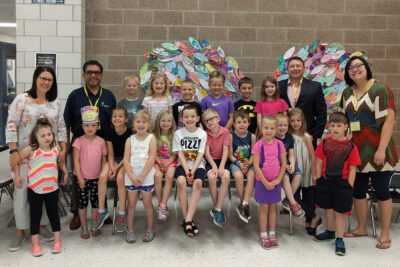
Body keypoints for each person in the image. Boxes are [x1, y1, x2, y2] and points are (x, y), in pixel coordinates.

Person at [6, 66, 67, 252]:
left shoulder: (54, 103)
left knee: (45, 193)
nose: (46, 82)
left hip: (47, 158)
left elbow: (61, 127)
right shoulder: (22, 100)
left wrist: (63, 148)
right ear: (35, 78)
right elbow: (11, 125)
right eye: (43, 78)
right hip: (25, 157)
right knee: (21, 194)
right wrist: (14, 152)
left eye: (50, 79)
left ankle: (41, 227)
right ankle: (20, 232)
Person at [340, 56, 398, 249]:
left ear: (367, 68)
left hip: (378, 147)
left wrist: (381, 149)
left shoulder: (380, 89)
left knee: (381, 190)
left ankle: (385, 233)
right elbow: (345, 121)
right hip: (356, 149)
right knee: (358, 190)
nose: (355, 70)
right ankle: (361, 227)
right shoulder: (347, 92)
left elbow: (389, 121)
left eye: (359, 66)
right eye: (351, 68)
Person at [64, 60, 116, 230]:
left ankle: (102, 211)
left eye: (96, 72)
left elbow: (114, 123)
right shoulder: (75, 95)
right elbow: (66, 123)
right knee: (78, 179)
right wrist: (66, 147)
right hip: (80, 144)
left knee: (100, 177)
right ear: (83, 75)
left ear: (101, 75)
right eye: (89, 72)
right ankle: (76, 214)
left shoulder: (109, 96)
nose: (93, 75)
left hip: (102, 145)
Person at [12, 118, 68, 257]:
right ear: (35, 137)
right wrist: (17, 176)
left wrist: (65, 171)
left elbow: (61, 163)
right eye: (42, 135)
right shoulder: (31, 150)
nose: (47, 137)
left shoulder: (56, 149)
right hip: (34, 190)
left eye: (49, 134)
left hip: (52, 190)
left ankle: (58, 241)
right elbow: (16, 160)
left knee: (53, 215)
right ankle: (35, 245)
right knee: (35, 217)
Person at [314, 112, 361, 256]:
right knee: (328, 208)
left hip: (342, 184)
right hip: (325, 181)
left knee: (340, 213)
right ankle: (330, 231)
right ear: (328, 126)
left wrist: (350, 184)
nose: (335, 128)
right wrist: (317, 176)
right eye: (332, 125)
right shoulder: (324, 144)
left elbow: (353, 168)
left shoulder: (351, 146)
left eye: (339, 125)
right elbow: (319, 161)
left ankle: (339, 239)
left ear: (346, 127)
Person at [92, 107, 132, 232]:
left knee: (120, 178)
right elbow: (110, 154)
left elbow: (127, 156)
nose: (117, 118)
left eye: (120, 116)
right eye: (115, 116)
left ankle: (121, 213)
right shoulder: (109, 132)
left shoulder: (130, 133)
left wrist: (116, 168)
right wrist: (111, 166)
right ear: (111, 119)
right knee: (102, 176)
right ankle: (102, 210)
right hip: (114, 159)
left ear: (126, 119)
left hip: (126, 160)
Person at [73, 107, 108, 239]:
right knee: (82, 203)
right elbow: (76, 161)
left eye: (93, 125)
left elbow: (104, 159)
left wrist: (102, 177)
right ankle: (84, 227)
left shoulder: (101, 142)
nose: (90, 128)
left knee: (95, 203)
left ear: (98, 126)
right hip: (82, 178)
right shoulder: (78, 141)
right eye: (87, 125)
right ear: (82, 126)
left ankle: (95, 225)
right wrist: (80, 177)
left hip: (97, 179)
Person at [173, 105, 207, 238]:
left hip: (198, 164)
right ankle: (188, 220)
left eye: (192, 116)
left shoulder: (202, 133)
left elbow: (200, 153)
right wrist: (187, 171)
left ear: (198, 118)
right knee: (181, 182)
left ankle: (188, 219)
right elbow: (180, 153)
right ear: (181, 119)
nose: (189, 119)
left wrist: (193, 170)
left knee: (198, 183)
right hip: (183, 164)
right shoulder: (178, 133)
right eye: (186, 116)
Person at [252, 116, 286, 249]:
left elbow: (283, 164)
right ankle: (263, 235)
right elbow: (256, 166)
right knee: (264, 209)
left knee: (273, 209)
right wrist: (265, 182)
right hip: (262, 182)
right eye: (266, 128)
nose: (269, 131)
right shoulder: (258, 145)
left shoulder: (279, 144)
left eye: (272, 128)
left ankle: (272, 234)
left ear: (276, 129)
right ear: (261, 128)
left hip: (276, 182)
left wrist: (278, 179)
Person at [123, 110, 157, 243]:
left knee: (147, 203)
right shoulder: (129, 140)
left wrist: (142, 177)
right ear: (133, 124)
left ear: (149, 124)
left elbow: (152, 158)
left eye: (144, 122)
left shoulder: (151, 138)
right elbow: (126, 160)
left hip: (146, 177)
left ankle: (150, 228)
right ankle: (130, 230)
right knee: (131, 204)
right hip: (131, 177)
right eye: (138, 122)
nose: (141, 124)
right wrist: (131, 177)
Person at [279, 56, 327, 146]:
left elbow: (322, 113)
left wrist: (315, 135)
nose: (295, 68)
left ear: (304, 69)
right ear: (287, 69)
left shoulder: (314, 87)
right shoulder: (279, 86)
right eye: (292, 66)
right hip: (284, 136)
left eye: (298, 66)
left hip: (307, 136)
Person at [288, 108, 320, 235]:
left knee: (309, 198)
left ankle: (310, 219)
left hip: (306, 171)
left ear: (302, 121)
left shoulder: (307, 137)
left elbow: (313, 156)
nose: (296, 123)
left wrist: (314, 173)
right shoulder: (288, 136)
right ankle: (314, 217)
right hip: (295, 172)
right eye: (293, 121)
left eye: (298, 120)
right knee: (294, 197)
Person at [203, 109, 231, 227]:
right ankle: (217, 208)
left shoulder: (225, 132)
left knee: (225, 176)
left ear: (218, 118)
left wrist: (222, 166)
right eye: (206, 121)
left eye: (211, 119)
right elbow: (207, 153)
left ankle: (217, 209)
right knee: (211, 176)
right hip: (211, 160)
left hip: (222, 160)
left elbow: (225, 151)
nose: (209, 122)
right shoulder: (205, 133)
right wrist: (214, 166)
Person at [229, 110, 256, 223]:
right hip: (235, 163)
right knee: (239, 177)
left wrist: (248, 164)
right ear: (234, 124)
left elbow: (254, 154)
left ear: (249, 123)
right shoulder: (230, 136)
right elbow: (230, 155)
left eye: (244, 122)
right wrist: (239, 164)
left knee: (252, 176)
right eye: (239, 122)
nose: (242, 124)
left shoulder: (252, 136)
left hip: (248, 163)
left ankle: (244, 203)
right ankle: (242, 203)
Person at [275, 113, 304, 217]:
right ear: (275, 126)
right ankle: (293, 203)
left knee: (298, 175)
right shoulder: (273, 139)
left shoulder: (288, 136)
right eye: (280, 125)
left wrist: (292, 163)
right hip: (277, 164)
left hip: (287, 162)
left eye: (285, 125)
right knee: (285, 178)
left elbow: (291, 154)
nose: (283, 128)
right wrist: (285, 166)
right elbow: (273, 157)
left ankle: (287, 199)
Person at [154, 110, 177, 221]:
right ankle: (160, 203)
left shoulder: (174, 135)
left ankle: (163, 205)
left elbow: (174, 154)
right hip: (157, 161)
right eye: (163, 120)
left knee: (169, 177)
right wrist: (159, 163)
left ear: (172, 123)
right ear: (158, 122)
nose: (166, 123)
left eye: (168, 121)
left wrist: (167, 164)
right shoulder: (154, 135)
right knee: (157, 176)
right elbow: (153, 153)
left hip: (170, 161)